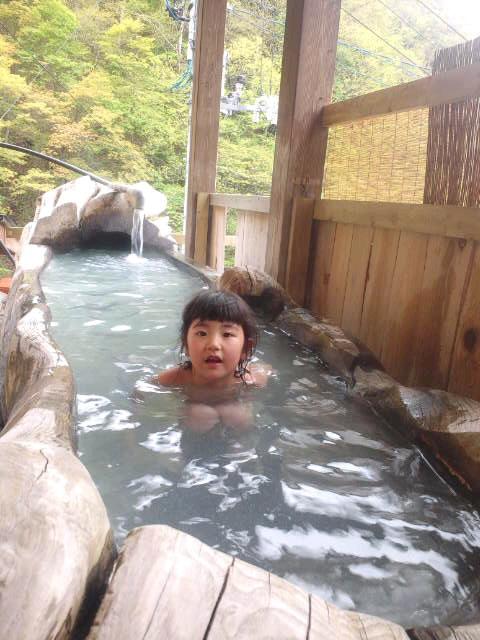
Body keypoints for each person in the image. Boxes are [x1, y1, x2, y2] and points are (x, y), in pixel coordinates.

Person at [152, 289, 271, 433]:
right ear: (186, 345)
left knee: (237, 415)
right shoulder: (177, 377)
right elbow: (142, 389)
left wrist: (248, 401)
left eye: (227, 334)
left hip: (234, 420)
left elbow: (265, 370)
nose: (213, 344)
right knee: (198, 414)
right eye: (202, 333)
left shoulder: (251, 379)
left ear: (245, 349)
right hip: (194, 419)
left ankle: (239, 439)